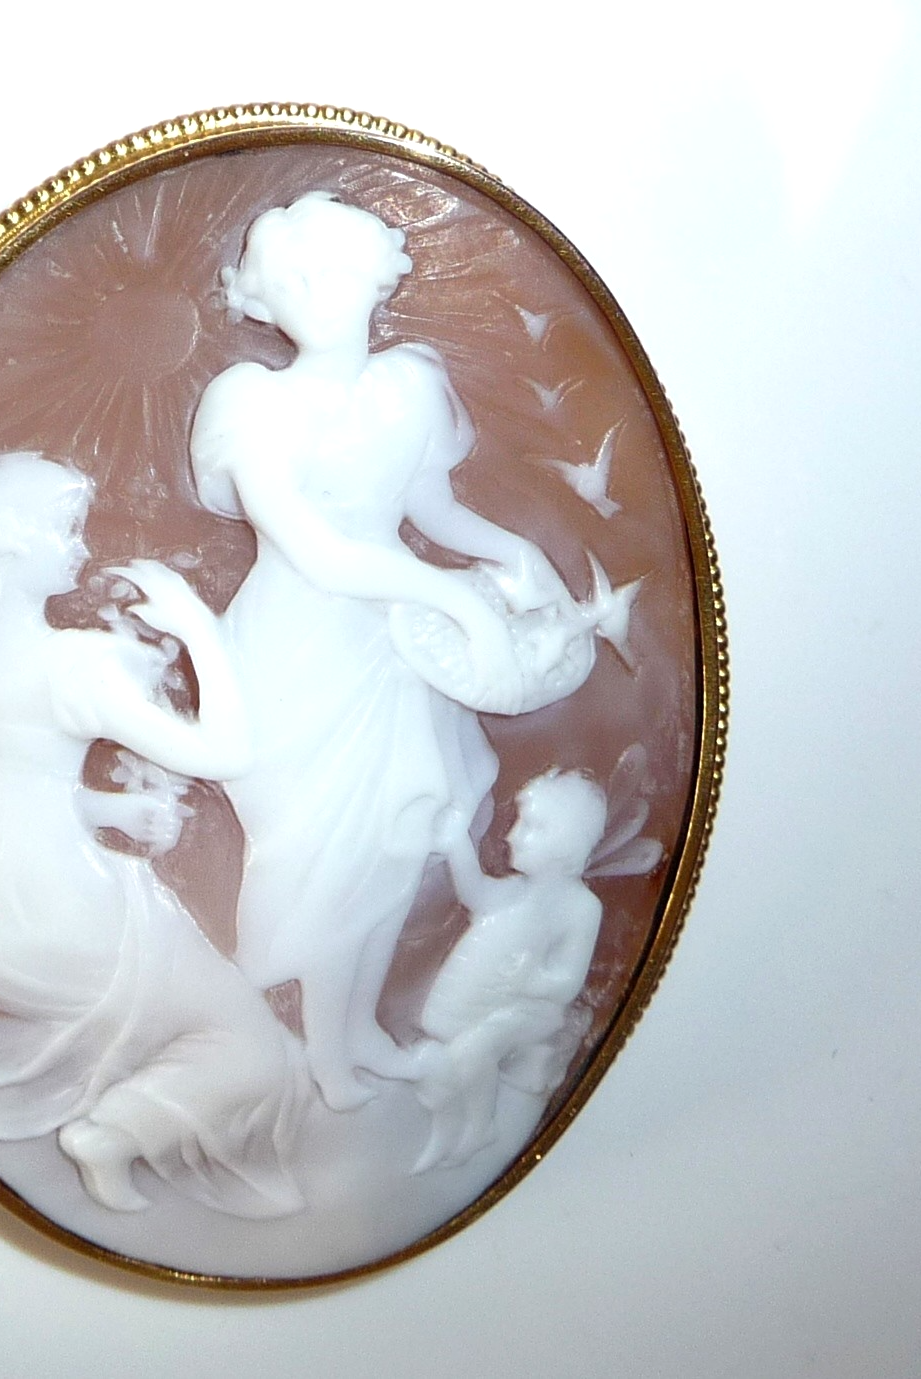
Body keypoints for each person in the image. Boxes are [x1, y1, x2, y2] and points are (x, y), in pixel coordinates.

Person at [190, 193, 629, 1110]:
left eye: (336, 276)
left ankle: (356, 1031)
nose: (319, 297)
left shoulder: (408, 388)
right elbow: (314, 550)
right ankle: (325, 1052)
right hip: (301, 642)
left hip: (393, 641)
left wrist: (518, 557)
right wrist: (456, 604)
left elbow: (434, 511)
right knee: (330, 853)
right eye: (295, 282)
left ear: (376, 280)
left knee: (400, 837)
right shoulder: (249, 401)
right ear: (263, 299)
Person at [0, 450, 305, 1219]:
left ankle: (120, 1105)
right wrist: (199, 629)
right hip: (54, 902)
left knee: (206, 1016)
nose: (79, 547)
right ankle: (112, 1131)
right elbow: (228, 753)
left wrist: (100, 811)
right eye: (65, 527)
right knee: (254, 1046)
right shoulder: (78, 666)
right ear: (14, 539)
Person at [412, 769, 608, 1171]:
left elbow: (569, 981)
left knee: (473, 1051)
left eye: (531, 826)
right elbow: (475, 892)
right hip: (491, 999)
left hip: (532, 1011)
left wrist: (534, 981)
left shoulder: (581, 908)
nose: (512, 835)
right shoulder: (517, 892)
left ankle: (480, 1129)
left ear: (565, 840)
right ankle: (444, 1134)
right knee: (446, 1058)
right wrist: (457, 843)